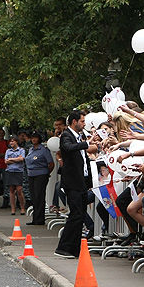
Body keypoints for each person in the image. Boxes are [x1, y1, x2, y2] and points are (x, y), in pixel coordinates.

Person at [55, 110, 99, 258]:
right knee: (76, 214)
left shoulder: (78, 136)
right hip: (72, 182)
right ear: (74, 122)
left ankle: (73, 249)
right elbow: (67, 148)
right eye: (82, 121)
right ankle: (64, 247)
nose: (84, 124)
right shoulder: (67, 135)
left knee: (79, 216)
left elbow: (83, 159)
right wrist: (85, 144)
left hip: (80, 182)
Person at [25, 130, 55, 225]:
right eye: (32, 137)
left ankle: (40, 219)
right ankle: (35, 218)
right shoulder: (31, 149)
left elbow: (51, 164)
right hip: (31, 175)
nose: (34, 139)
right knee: (33, 197)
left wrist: (46, 173)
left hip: (40, 175)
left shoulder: (43, 150)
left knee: (39, 196)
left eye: (36, 137)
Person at [4, 136, 27, 215]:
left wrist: (11, 159)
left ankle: (22, 207)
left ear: (17, 142)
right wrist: (15, 159)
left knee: (19, 190)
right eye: (10, 141)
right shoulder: (8, 151)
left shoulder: (21, 150)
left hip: (18, 171)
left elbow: (21, 159)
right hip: (10, 171)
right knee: (11, 190)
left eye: (13, 141)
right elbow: (6, 161)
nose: (11, 143)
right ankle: (13, 209)